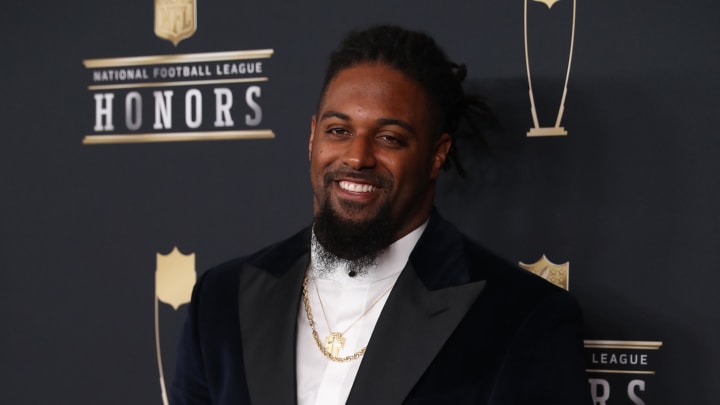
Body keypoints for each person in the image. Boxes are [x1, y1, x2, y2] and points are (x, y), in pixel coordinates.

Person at [170, 25, 592, 405]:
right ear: (313, 136)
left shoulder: (521, 320)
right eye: (339, 131)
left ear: (436, 155)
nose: (357, 156)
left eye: (389, 138)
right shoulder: (221, 299)